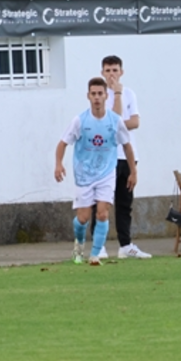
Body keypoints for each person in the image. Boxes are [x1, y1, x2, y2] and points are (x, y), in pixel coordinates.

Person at [55, 77, 138, 266]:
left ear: (106, 96)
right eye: (93, 94)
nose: (97, 98)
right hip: (84, 174)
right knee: (83, 218)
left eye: (100, 94)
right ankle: (79, 244)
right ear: (88, 96)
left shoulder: (115, 121)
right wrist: (58, 164)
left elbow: (127, 147)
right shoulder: (80, 121)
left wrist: (134, 171)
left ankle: (94, 255)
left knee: (102, 213)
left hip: (106, 174)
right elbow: (62, 143)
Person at [91, 56, 151, 259]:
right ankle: (98, 245)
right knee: (101, 202)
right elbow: (112, 121)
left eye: (115, 70)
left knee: (125, 202)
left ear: (121, 72)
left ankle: (126, 245)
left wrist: (119, 123)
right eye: (107, 70)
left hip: (126, 155)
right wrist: (115, 95)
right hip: (106, 156)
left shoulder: (129, 94)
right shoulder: (99, 95)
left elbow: (135, 122)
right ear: (102, 72)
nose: (111, 74)